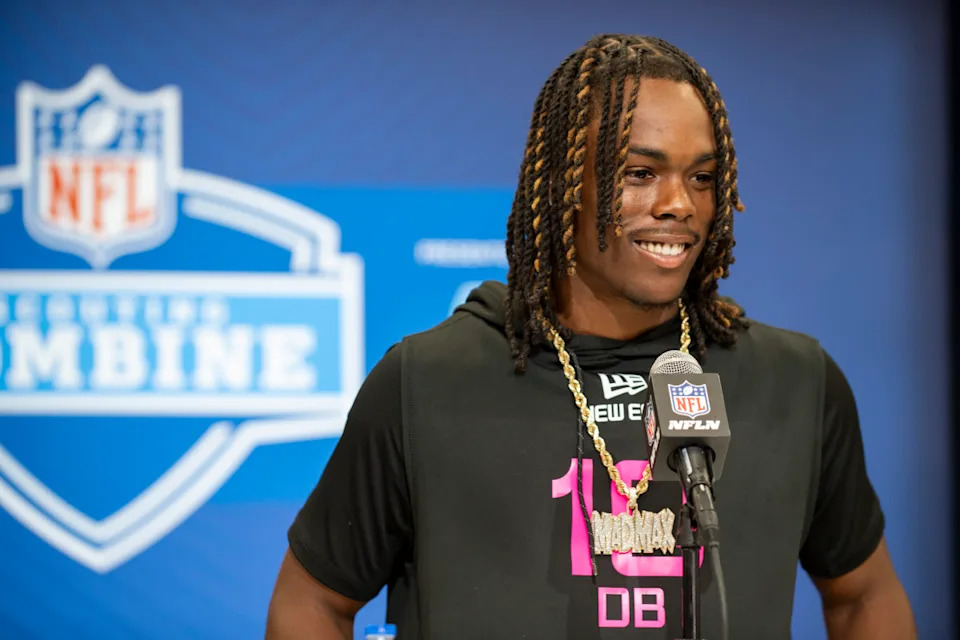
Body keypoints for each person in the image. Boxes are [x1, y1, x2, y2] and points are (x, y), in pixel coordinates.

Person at [265, 34, 916, 639]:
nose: (680, 204)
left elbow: (864, 596)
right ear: (563, 183)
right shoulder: (428, 381)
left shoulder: (794, 383)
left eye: (701, 177)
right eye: (640, 173)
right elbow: (312, 601)